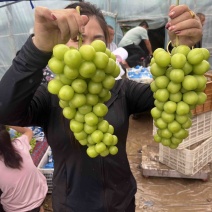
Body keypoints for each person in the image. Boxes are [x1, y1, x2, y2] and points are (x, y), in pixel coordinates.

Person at [0, 1, 202, 211]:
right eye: (77, 38)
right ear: (58, 44)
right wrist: (36, 50)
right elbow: (6, 110)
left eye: (97, 40)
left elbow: (168, 92)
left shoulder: (122, 89)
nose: (86, 48)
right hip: (72, 206)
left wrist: (182, 48)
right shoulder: (50, 94)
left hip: (121, 201)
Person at [0, 125, 48, 212]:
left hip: (14, 209)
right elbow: (29, 132)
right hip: (38, 198)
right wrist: (9, 123)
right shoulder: (19, 145)